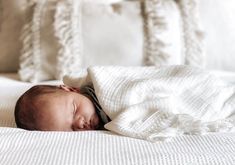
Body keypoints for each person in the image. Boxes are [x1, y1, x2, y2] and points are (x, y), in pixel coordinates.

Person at [14, 84, 110, 131]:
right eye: (70, 129)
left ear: (72, 89)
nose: (80, 124)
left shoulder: (101, 89)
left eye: (74, 110)